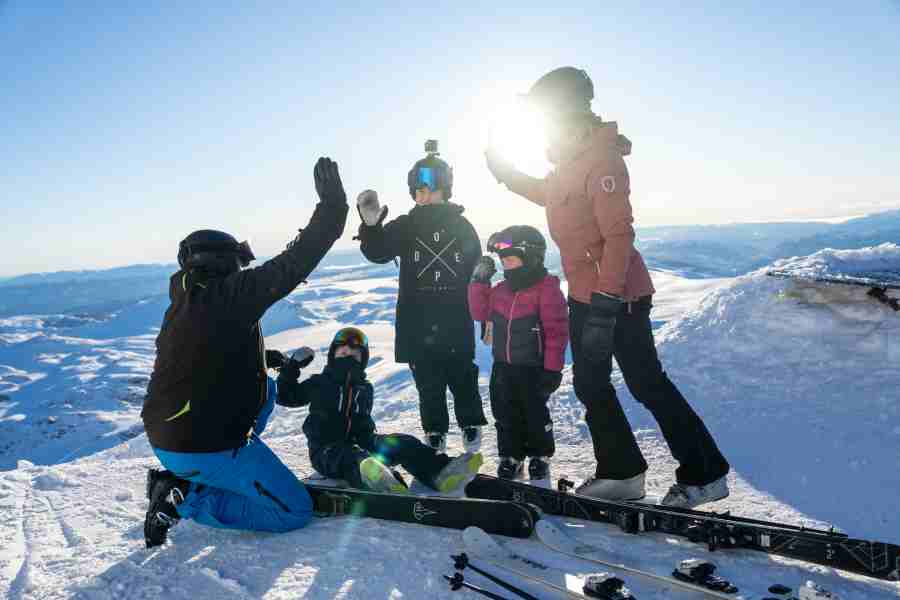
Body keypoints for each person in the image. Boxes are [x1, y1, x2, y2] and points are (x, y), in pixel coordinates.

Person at [484, 67, 730, 508]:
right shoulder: (568, 163)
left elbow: (619, 236)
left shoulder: (602, 160)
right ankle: (622, 473)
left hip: (619, 297)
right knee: (590, 383)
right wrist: (505, 172)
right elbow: (547, 192)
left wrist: (605, 303)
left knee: (646, 382)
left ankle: (705, 473)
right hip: (586, 296)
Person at [141, 157, 349, 547]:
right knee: (294, 510)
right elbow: (292, 264)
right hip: (201, 446)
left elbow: (204, 353)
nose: (241, 269)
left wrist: (265, 358)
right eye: (238, 261)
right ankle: (184, 497)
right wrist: (333, 208)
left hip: (172, 436)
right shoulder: (228, 296)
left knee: (267, 388)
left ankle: (211, 472)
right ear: (222, 262)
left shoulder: (187, 301)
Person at [355, 141, 488, 453]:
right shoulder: (407, 225)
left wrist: (484, 301)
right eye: (416, 188)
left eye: (427, 186)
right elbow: (378, 251)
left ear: (445, 187)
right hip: (418, 322)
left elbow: (475, 268)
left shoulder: (461, 225)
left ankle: (471, 427)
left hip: (455, 318)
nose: (421, 193)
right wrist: (371, 227)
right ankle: (435, 434)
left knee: (463, 377)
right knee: (428, 384)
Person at [274, 326, 484, 493]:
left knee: (403, 442)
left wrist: (374, 441)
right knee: (354, 458)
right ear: (332, 356)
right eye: (343, 353)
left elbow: (363, 423)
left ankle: (441, 472)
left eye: (354, 355)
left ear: (362, 361)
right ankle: (381, 481)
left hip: (364, 444)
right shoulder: (319, 383)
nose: (348, 358)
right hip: (327, 451)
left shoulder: (364, 388)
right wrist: (290, 368)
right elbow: (285, 397)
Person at [467, 226, 568, 481]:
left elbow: (556, 332)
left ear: (531, 258)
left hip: (534, 367)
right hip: (503, 366)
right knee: (505, 414)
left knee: (534, 414)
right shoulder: (501, 290)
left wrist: (552, 369)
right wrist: (479, 282)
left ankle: (539, 456)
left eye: (511, 260)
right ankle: (511, 457)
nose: (506, 266)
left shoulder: (547, 289)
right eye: (503, 262)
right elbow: (479, 311)